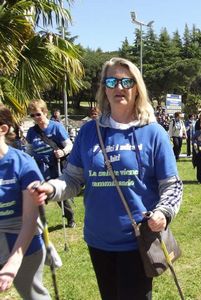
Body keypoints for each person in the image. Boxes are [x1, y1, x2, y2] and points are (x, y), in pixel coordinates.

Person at [30, 57, 183, 299]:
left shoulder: (154, 133)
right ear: (104, 88)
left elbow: (172, 186)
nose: (118, 87)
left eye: (126, 81)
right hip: (98, 241)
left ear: (137, 87)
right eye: (111, 81)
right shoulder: (90, 132)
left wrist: (163, 213)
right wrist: (49, 189)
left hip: (136, 241)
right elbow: (72, 179)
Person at [0, 104, 50, 299]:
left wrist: (14, 260)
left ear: (3, 129)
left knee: (34, 296)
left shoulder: (23, 164)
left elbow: (30, 219)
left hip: (21, 243)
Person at [26, 99, 76, 228]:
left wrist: (62, 152)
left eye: (38, 114)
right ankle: (41, 223)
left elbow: (69, 145)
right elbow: (29, 149)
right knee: (39, 194)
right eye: (32, 115)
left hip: (56, 164)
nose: (36, 117)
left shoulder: (56, 127)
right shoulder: (32, 132)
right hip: (40, 167)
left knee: (58, 193)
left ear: (44, 112)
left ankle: (70, 217)